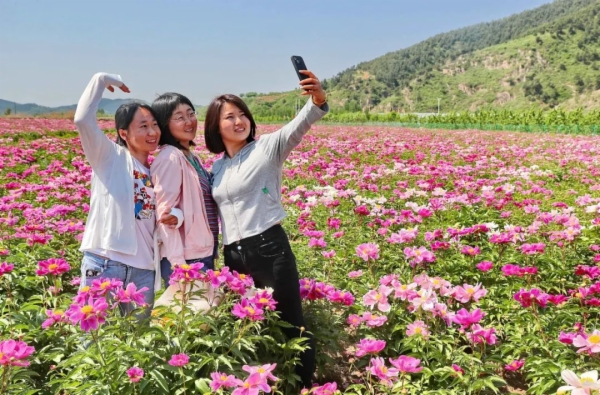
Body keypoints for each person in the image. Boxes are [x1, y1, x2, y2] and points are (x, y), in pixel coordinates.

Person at [204, 70, 328, 388]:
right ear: (216, 126)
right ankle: (261, 386)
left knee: (291, 323)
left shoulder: (267, 148)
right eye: (229, 117)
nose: (239, 121)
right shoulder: (217, 167)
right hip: (234, 256)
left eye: (242, 114)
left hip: (268, 247)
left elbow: (298, 127)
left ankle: (301, 386)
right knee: (248, 324)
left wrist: (318, 99)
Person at [73, 72, 178, 319]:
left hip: (144, 269)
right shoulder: (110, 158)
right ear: (123, 134)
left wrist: (177, 214)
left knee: (137, 343)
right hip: (106, 263)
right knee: (95, 339)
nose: (152, 131)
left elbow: (162, 210)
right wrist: (101, 80)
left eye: (154, 125)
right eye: (143, 126)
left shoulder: (156, 170)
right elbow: (82, 120)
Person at [151, 93, 217, 287]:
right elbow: (165, 216)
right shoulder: (170, 158)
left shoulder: (189, 156)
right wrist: (179, 265)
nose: (189, 121)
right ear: (164, 124)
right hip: (187, 259)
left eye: (191, 113)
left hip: (200, 252)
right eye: (179, 117)